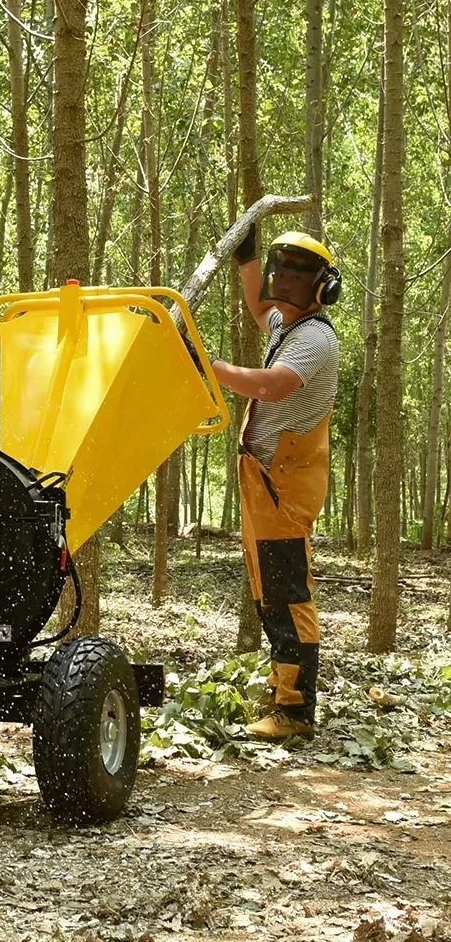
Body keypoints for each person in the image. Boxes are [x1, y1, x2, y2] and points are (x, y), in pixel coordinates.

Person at [196, 224, 341, 741]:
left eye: (298, 276)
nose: (283, 282)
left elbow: (271, 384)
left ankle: (296, 711)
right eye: (281, 271)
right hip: (266, 476)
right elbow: (261, 311)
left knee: (287, 592)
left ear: (322, 287)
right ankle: (285, 692)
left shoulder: (316, 339)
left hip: (287, 480)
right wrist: (247, 260)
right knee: (270, 591)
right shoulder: (287, 325)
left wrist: (211, 367)